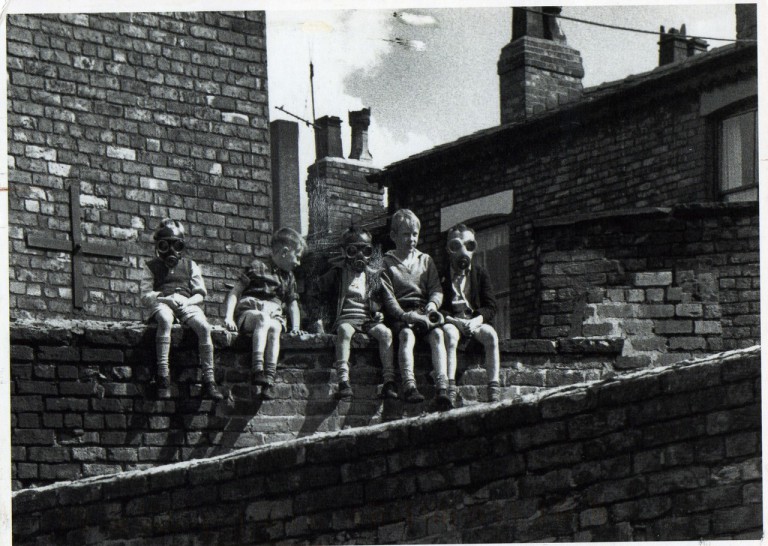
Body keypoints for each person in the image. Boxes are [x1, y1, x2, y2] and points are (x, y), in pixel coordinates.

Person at [140, 219, 223, 400]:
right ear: (158, 246)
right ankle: (163, 375)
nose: (171, 251)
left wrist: (188, 302)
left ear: (182, 245)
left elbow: (200, 293)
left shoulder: (190, 265)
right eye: (165, 245)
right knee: (165, 320)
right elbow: (145, 296)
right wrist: (164, 298)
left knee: (204, 327)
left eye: (176, 245)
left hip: (186, 303)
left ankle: (209, 379)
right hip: (164, 302)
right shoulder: (151, 267)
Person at [311, 225, 396, 400]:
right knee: (344, 332)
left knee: (386, 334)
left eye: (366, 251)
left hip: (367, 320)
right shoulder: (336, 273)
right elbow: (315, 292)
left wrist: (379, 312)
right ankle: (343, 380)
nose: (360, 256)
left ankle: (389, 381)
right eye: (353, 251)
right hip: (345, 319)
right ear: (344, 252)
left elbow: (383, 299)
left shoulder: (372, 276)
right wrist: (320, 318)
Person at [380, 209, 452, 410]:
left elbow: (436, 289)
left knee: (437, 334)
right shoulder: (386, 263)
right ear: (394, 236)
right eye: (406, 234)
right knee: (406, 336)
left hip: (423, 310)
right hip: (401, 313)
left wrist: (432, 305)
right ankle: (409, 385)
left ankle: (442, 387)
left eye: (415, 234)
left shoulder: (425, 260)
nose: (411, 239)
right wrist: (405, 316)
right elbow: (389, 298)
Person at [224, 227, 306, 400]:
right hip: (252, 313)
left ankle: (269, 377)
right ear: (285, 252)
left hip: (273, 314)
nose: (298, 263)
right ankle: (257, 369)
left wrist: (296, 327)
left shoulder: (289, 277)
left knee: (275, 327)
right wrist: (228, 317)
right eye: (297, 257)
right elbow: (235, 292)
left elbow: (292, 303)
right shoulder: (256, 267)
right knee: (263, 319)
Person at [440, 223, 501, 406]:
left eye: (469, 245)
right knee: (450, 335)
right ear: (449, 249)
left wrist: (476, 320)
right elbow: (437, 307)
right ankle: (450, 388)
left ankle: (494, 389)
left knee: (491, 336)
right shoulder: (442, 275)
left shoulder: (480, 273)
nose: (463, 252)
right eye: (456, 246)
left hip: (474, 322)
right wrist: (455, 321)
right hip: (453, 322)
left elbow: (491, 306)